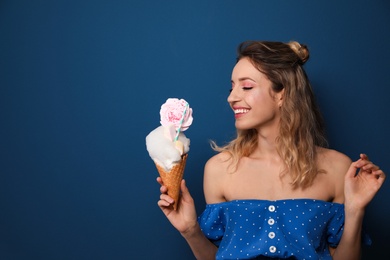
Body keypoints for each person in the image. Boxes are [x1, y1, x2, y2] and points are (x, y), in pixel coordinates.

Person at [157, 40, 386, 260]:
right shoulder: (219, 170)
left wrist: (355, 211)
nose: (231, 97)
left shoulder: (338, 168)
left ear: (282, 93)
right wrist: (190, 230)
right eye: (232, 87)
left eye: (246, 86)